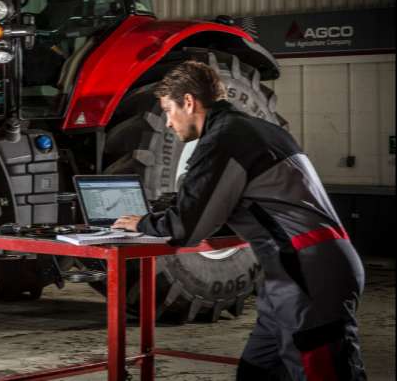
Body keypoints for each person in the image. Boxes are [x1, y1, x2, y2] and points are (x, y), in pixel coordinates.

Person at [113, 60, 367, 381]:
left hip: (308, 275)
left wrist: (140, 224)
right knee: (255, 373)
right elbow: (227, 201)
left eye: (168, 110)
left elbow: (186, 229)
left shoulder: (224, 139)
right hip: (290, 276)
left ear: (189, 102)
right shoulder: (258, 130)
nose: (167, 123)